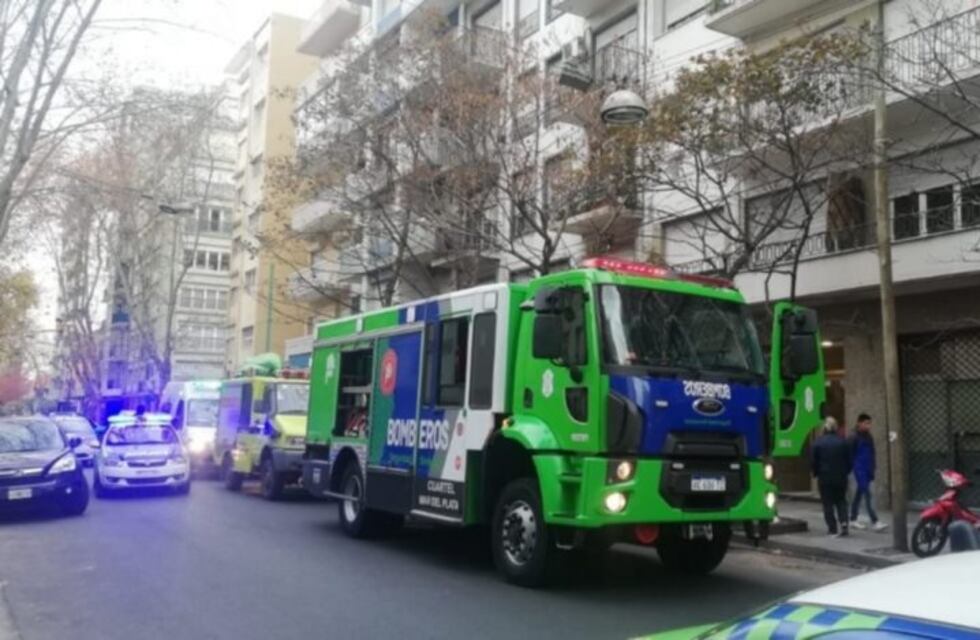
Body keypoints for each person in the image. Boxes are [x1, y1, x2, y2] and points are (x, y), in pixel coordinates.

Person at [810, 416, 853, 537]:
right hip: (840, 477)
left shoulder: (818, 443)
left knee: (827, 503)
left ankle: (832, 527)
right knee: (841, 501)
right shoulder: (843, 442)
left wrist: (815, 473)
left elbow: (814, 462)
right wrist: (845, 471)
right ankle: (844, 523)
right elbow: (849, 461)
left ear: (825, 428)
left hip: (825, 477)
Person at [849, 413, 887, 532]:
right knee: (868, 495)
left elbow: (872, 452)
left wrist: (872, 467)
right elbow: (850, 454)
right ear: (859, 423)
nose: (869, 426)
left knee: (859, 494)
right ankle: (875, 521)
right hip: (859, 469)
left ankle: (853, 519)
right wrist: (854, 469)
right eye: (866, 423)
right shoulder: (853, 437)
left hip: (867, 469)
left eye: (870, 423)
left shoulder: (868, 436)